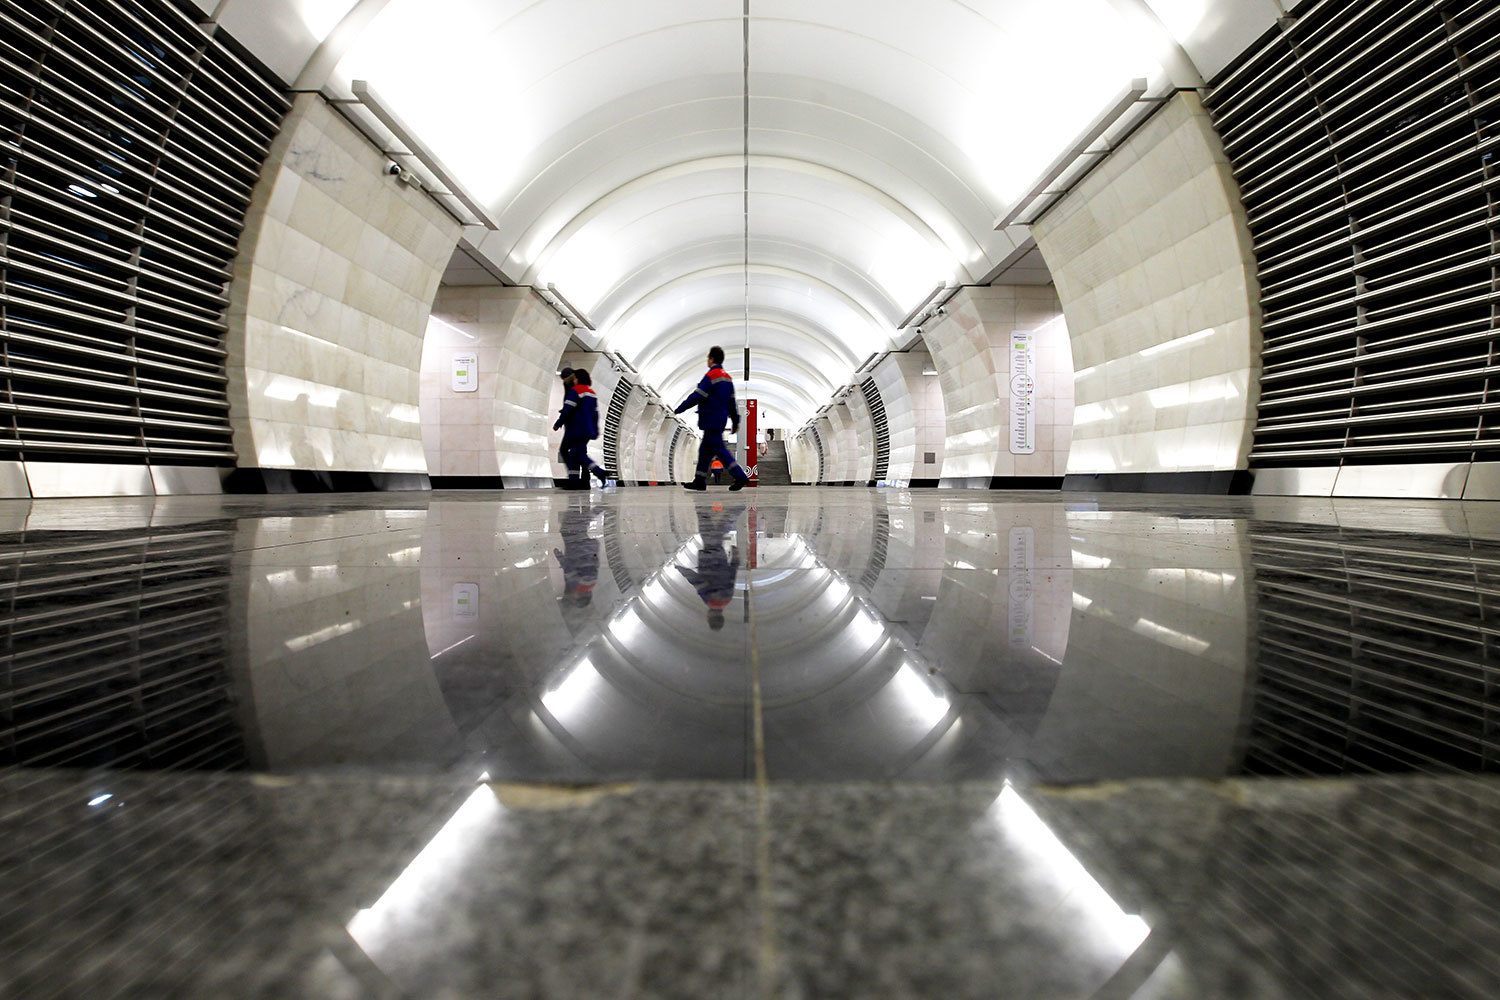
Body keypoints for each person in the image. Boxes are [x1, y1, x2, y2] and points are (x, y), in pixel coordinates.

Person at [673, 345, 749, 492]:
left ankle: (740, 476)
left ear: (712, 359)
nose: (707, 360)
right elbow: (732, 402)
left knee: (720, 449)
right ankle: (699, 480)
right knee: (705, 451)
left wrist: (680, 408)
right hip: (720, 418)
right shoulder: (727, 379)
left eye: (708, 358)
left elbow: (698, 395)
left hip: (710, 417)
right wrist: (735, 421)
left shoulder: (712, 376)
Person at [676, 502, 743, 630]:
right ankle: (701, 504)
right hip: (709, 559)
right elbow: (698, 581)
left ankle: (734, 507)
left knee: (718, 529)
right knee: (708, 527)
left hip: (719, 556)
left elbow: (732, 574)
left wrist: (735, 557)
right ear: (711, 617)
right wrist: (682, 570)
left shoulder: (727, 598)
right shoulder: (710, 600)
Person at [554, 367, 609, 489]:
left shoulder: (576, 390)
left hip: (576, 429)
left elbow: (568, 409)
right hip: (587, 429)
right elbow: (595, 413)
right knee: (575, 454)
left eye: (575, 379)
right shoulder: (591, 393)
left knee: (578, 455)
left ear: (578, 379)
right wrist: (595, 430)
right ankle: (574, 482)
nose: (573, 380)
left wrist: (558, 422)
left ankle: (599, 472)